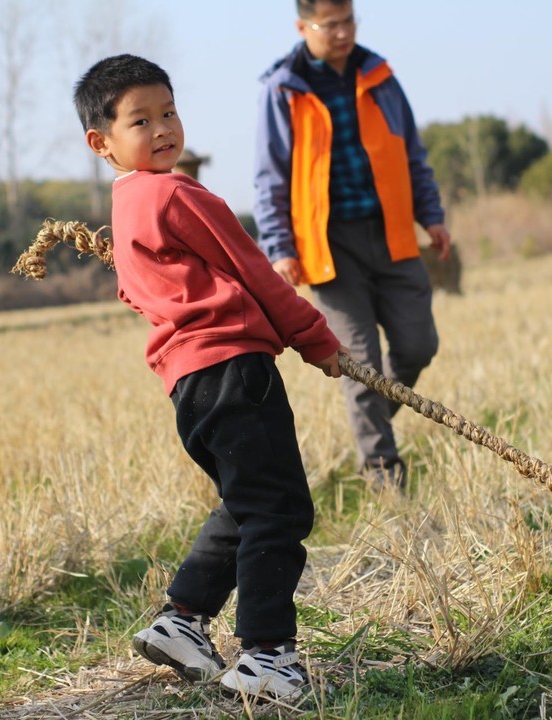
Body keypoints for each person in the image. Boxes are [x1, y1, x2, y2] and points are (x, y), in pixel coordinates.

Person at [72, 54, 345, 700]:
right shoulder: (177, 194)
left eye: (169, 112)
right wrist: (314, 338)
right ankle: (266, 656)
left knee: (248, 503)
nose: (163, 128)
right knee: (278, 509)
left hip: (190, 388)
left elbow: (137, 295)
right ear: (101, 142)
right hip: (234, 371)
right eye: (141, 120)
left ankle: (183, 620)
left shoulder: (128, 204)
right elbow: (254, 270)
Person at [253, 0, 451, 490]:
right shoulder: (282, 89)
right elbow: (269, 176)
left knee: (418, 344)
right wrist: (280, 246)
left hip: (392, 231)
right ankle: (384, 474)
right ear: (303, 27)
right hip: (329, 243)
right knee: (358, 363)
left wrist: (433, 215)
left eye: (349, 21)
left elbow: (411, 153)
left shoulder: (379, 75)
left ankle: (371, 424)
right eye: (330, 25)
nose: (342, 33)